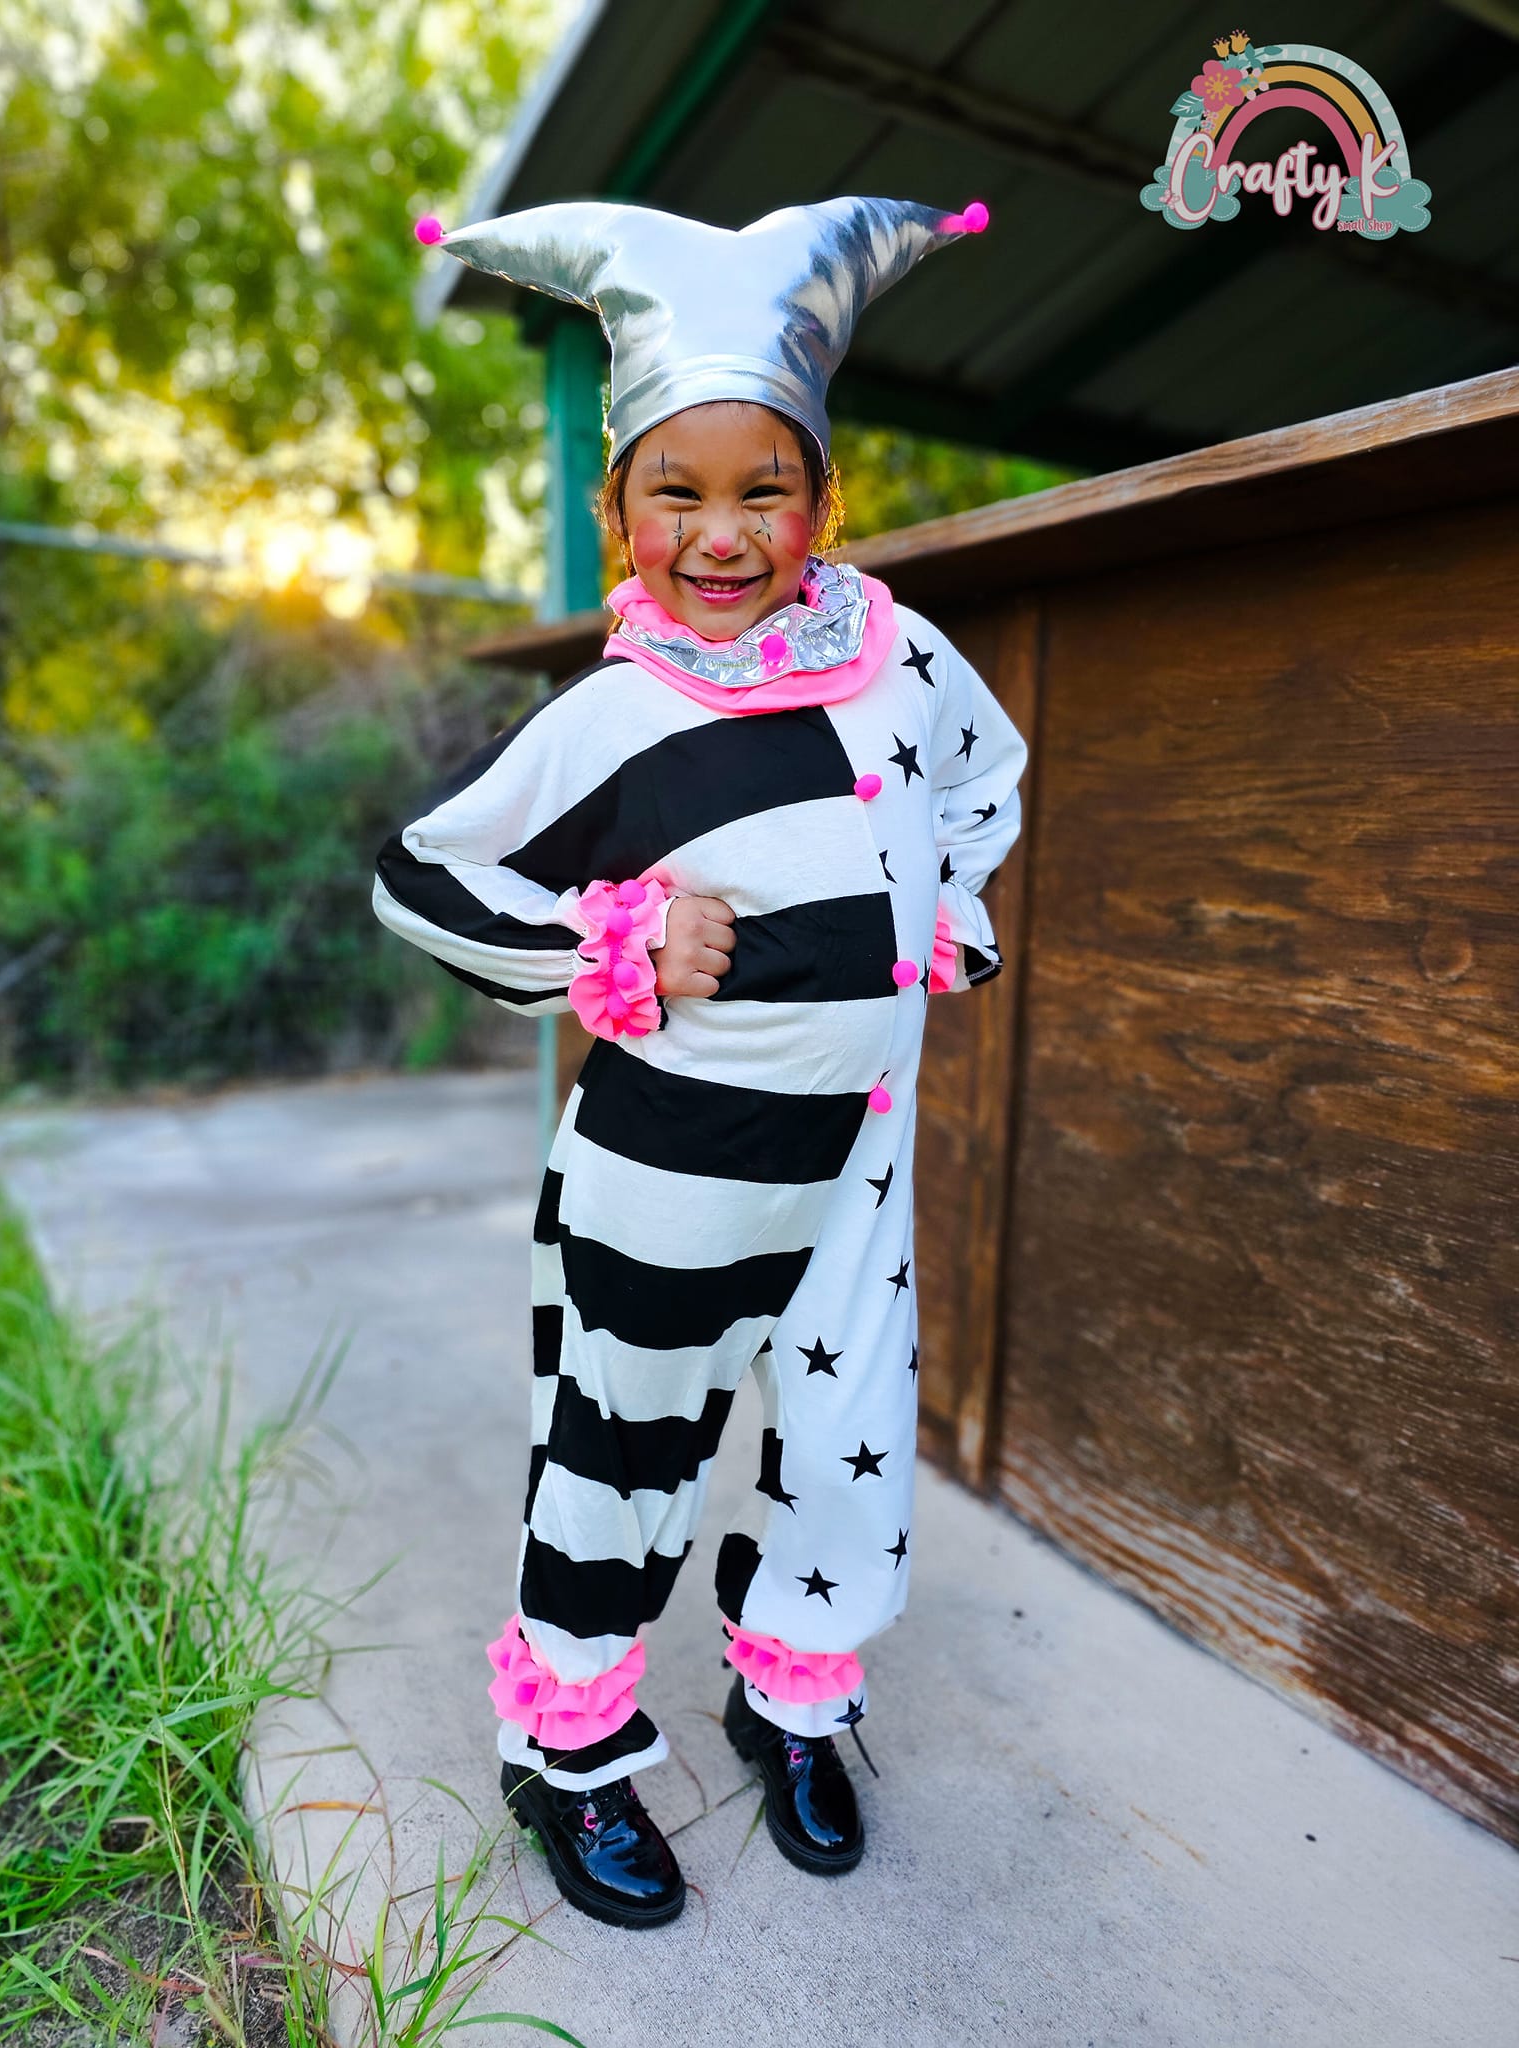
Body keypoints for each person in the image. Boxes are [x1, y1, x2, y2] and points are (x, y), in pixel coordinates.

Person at [372, 196, 1029, 1930]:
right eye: (680, 492)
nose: (723, 535)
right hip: (672, 1181)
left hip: (856, 1171)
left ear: (822, 502)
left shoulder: (900, 663)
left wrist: (944, 906)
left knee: (841, 1438)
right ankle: (570, 1750)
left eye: (766, 492)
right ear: (617, 514)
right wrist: (610, 944)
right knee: (622, 1450)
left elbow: (978, 776)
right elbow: (426, 873)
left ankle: (791, 1698)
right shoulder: (613, 720)